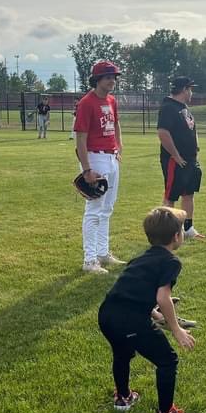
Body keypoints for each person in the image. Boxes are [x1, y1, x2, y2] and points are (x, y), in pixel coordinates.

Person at [97, 206, 199, 413]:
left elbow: (133, 292)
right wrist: (176, 329)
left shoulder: (140, 258)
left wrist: (154, 314)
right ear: (176, 237)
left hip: (107, 314)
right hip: (129, 320)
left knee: (122, 353)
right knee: (167, 360)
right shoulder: (171, 262)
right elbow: (163, 297)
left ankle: (123, 398)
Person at [74, 60, 125, 273]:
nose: (112, 80)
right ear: (97, 79)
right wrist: (86, 169)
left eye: (114, 77)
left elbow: (116, 123)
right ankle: (89, 260)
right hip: (95, 157)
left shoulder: (112, 100)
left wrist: (119, 146)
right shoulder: (87, 103)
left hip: (111, 157)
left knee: (107, 208)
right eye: (108, 77)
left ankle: (103, 252)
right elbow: (80, 138)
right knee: (94, 210)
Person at [157, 76, 206, 240]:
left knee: (188, 193)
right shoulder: (168, 107)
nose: (191, 93)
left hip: (190, 158)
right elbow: (163, 132)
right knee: (171, 196)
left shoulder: (183, 107)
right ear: (184, 89)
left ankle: (188, 228)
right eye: (190, 89)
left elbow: (191, 129)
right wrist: (175, 155)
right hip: (175, 160)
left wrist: (196, 147)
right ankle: (167, 232)